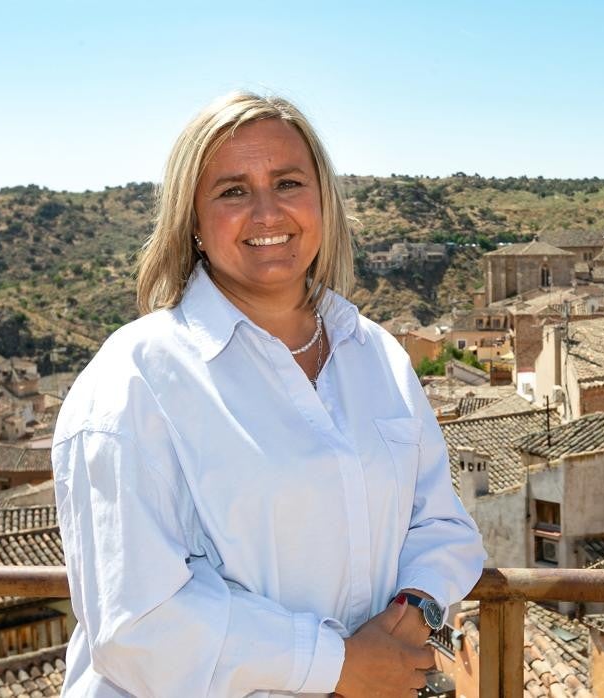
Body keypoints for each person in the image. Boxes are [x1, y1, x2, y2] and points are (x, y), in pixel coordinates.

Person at [51, 91, 486, 697]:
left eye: (288, 183)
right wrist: (337, 664)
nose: (267, 214)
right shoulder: (133, 381)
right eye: (232, 191)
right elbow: (138, 623)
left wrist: (414, 609)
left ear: (323, 202)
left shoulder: (378, 357)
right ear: (193, 222)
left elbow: (441, 523)